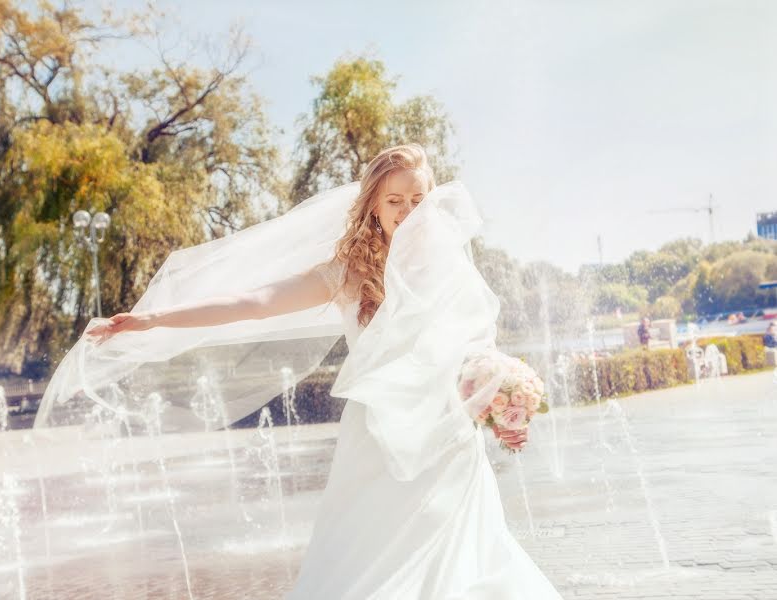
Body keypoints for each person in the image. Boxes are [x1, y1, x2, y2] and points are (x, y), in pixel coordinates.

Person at [65, 144, 562, 598]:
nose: (408, 211)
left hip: (448, 441)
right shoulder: (349, 272)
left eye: (418, 199)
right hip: (379, 442)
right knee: (370, 559)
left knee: (461, 553)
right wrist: (154, 319)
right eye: (395, 201)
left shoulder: (452, 267)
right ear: (373, 205)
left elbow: (476, 352)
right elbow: (256, 302)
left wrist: (500, 408)